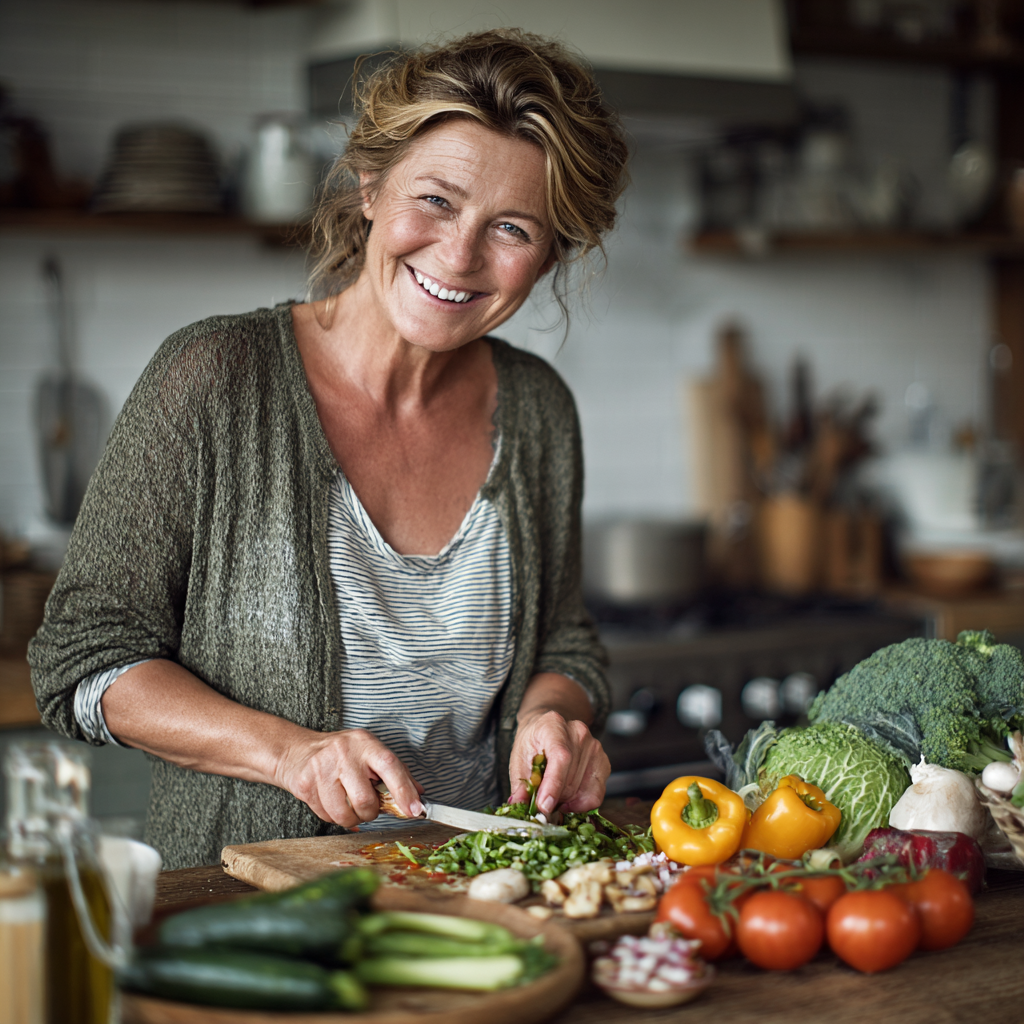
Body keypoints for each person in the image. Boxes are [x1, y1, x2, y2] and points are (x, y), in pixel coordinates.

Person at [28, 28, 630, 869]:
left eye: (513, 228)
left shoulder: (537, 411)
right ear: (369, 187)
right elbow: (81, 663)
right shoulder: (214, 378)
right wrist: (288, 754)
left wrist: (549, 717)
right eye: (436, 201)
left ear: (550, 255)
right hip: (256, 918)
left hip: (482, 911)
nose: (458, 256)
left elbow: (564, 644)